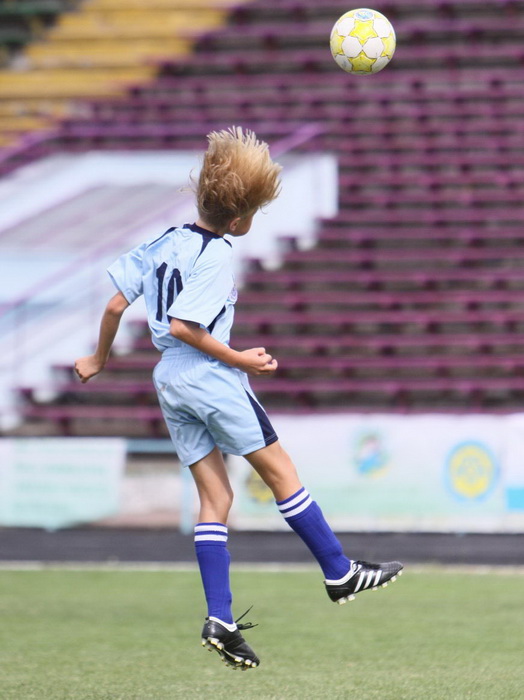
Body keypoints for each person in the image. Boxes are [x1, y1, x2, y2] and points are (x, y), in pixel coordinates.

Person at [75, 127, 403, 670]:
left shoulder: (164, 242)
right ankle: (339, 572)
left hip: (168, 380)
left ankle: (220, 618)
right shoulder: (217, 253)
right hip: (208, 376)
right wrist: (240, 359)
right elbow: (185, 327)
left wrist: (98, 358)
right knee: (281, 473)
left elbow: (114, 306)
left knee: (215, 499)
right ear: (238, 221)